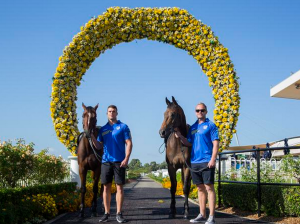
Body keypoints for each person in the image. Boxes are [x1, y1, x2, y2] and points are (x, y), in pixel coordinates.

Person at [175, 102, 219, 224]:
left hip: (207, 161)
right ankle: (202, 214)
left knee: (209, 188)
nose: (200, 112)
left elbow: (215, 143)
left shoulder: (211, 125)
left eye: (202, 110)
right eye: (197, 110)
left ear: (206, 111)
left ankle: (211, 216)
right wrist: (179, 136)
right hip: (195, 161)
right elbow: (189, 142)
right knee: (200, 188)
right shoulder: (193, 127)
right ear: (195, 112)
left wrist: (213, 159)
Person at [94, 105, 133, 223]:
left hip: (119, 161)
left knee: (119, 188)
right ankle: (106, 213)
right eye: (109, 111)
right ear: (107, 114)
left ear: (117, 113)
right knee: (106, 188)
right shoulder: (103, 129)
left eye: (113, 111)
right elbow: (99, 145)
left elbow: (129, 143)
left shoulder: (123, 127)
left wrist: (126, 158)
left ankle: (119, 213)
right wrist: (91, 136)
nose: (111, 113)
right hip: (106, 161)